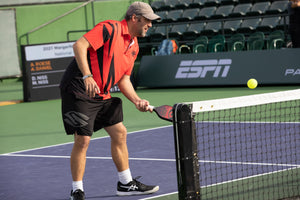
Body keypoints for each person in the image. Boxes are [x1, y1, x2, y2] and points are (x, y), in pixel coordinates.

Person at [59, 2, 160, 200]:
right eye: (147, 20)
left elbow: (123, 79)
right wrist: (87, 76)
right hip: (79, 88)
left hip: (102, 92)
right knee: (83, 139)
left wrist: (137, 101)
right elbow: (79, 45)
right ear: (134, 18)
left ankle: (125, 183)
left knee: (120, 132)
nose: (150, 24)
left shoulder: (134, 46)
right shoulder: (110, 28)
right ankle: (77, 190)